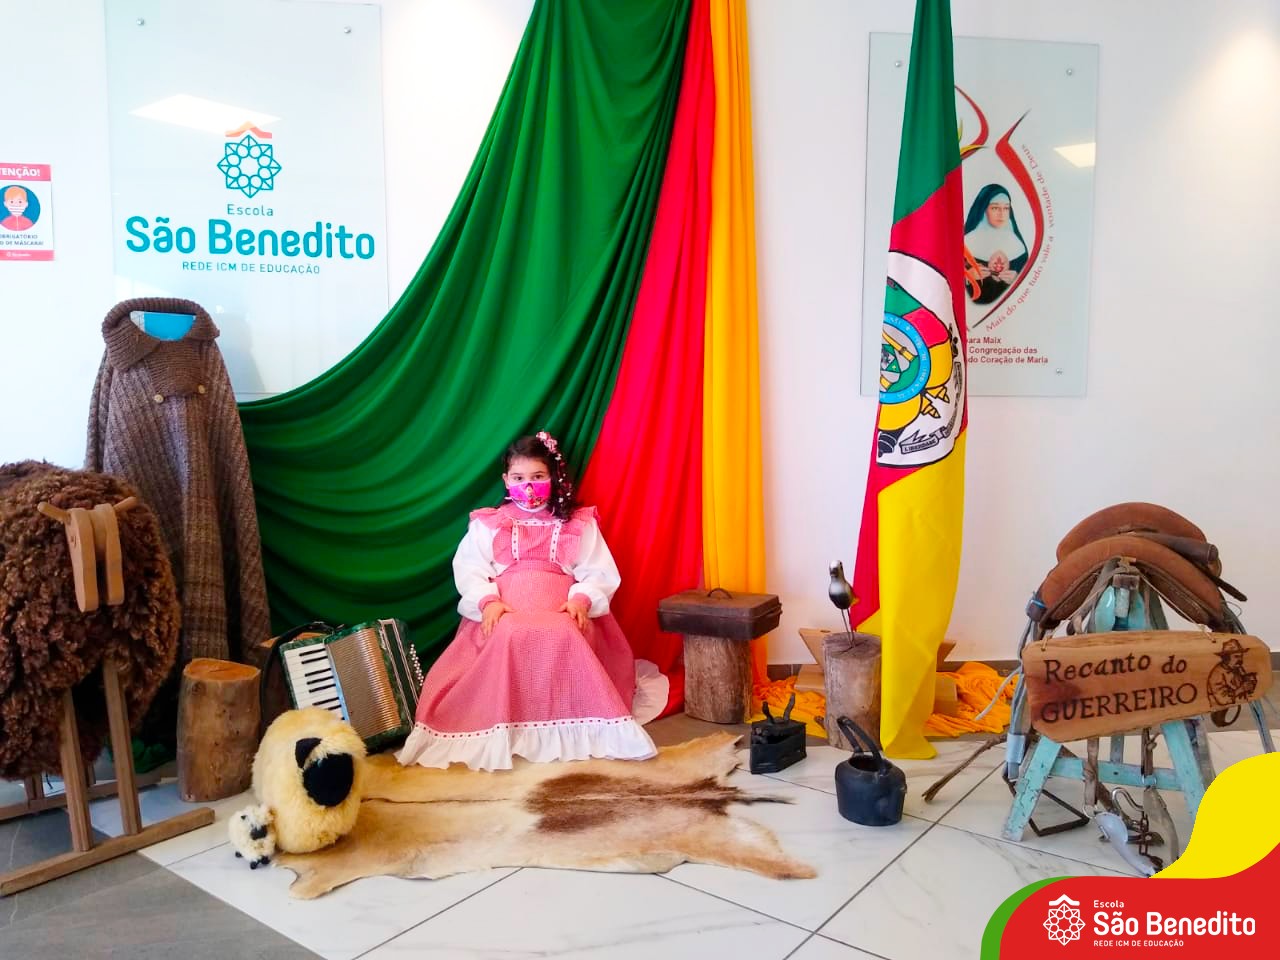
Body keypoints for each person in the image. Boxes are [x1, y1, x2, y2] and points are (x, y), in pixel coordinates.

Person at [396, 432, 662, 771]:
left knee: (564, 631)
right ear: (506, 480)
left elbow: (598, 571)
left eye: (538, 476)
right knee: (508, 632)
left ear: (553, 477)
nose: (529, 486)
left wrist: (581, 599)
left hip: (560, 605)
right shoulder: (491, 523)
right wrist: (488, 602)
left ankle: (570, 719)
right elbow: (469, 568)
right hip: (506, 606)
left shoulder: (575, 524)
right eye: (519, 478)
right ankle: (506, 720)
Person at [963, 184, 1028, 304]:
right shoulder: (966, 243)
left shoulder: (1018, 246)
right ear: (984, 209)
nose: (1001, 214)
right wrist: (967, 277)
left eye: (1006, 208)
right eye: (995, 208)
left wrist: (1017, 279)